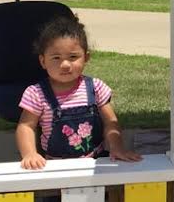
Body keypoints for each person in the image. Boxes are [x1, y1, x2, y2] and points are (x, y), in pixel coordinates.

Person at [16, 14, 141, 170]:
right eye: (56, 58)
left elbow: (111, 122)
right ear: (43, 61)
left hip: (96, 163)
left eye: (73, 57)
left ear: (86, 58)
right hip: (56, 166)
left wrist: (117, 146)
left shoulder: (96, 87)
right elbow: (26, 127)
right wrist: (30, 154)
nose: (65, 64)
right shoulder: (36, 93)